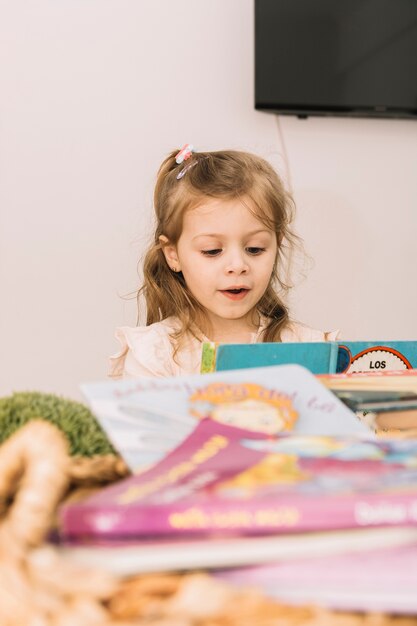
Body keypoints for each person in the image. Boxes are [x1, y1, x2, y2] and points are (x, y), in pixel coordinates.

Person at [110, 144, 338, 379]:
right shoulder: (153, 353)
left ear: (277, 244)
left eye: (255, 249)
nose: (238, 265)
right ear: (173, 255)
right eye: (212, 251)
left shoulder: (311, 349)